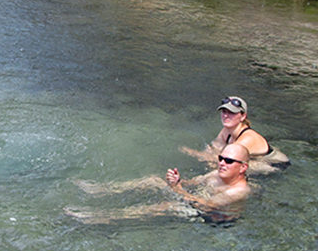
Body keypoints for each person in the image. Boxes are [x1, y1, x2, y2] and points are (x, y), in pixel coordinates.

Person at [64, 143, 252, 224]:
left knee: (167, 206)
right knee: (153, 180)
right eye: (221, 158)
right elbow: (192, 183)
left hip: (211, 216)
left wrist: (177, 189)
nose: (221, 163)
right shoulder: (216, 173)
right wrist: (177, 181)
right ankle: (102, 190)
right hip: (196, 199)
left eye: (228, 161)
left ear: (242, 168)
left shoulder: (238, 191)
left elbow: (207, 205)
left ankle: (104, 216)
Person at [181, 95, 289, 173]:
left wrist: (190, 152)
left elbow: (222, 159)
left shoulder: (248, 138)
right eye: (224, 111)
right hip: (252, 158)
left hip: (274, 164)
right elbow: (213, 147)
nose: (226, 116)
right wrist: (207, 156)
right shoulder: (227, 129)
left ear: (243, 116)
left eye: (232, 113)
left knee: (227, 168)